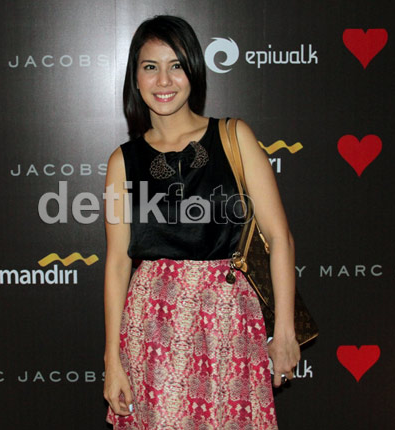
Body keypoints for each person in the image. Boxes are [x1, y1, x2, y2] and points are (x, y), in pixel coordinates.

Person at [103, 15, 300, 429]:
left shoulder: (234, 137)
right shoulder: (124, 161)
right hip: (152, 329)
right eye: (150, 66)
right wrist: (112, 359)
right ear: (135, 77)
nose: (164, 80)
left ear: (193, 69)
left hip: (229, 321)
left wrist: (284, 331)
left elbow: (279, 238)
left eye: (176, 65)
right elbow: (119, 263)